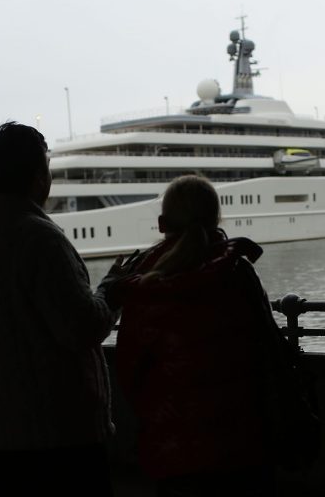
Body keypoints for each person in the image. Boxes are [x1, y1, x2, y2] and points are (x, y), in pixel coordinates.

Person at [0, 121, 123, 496]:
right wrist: (113, 290)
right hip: (61, 438)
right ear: (40, 177)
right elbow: (81, 327)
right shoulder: (41, 239)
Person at [112, 175, 277, 497]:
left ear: (162, 223)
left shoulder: (145, 287)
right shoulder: (238, 273)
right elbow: (266, 348)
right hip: (243, 445)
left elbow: (129, 369)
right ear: (218, 219)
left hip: (173, 451)